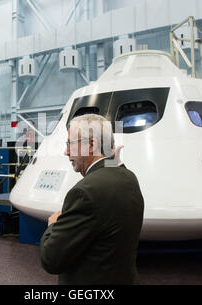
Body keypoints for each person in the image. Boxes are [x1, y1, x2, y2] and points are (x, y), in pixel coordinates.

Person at [40, 114, 144, 285]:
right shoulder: (128, 177)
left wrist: (53, 225)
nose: (66, 152)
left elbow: (51, 260)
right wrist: (112, 161)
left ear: (92, 145)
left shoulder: (84, 193)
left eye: (70, 144)